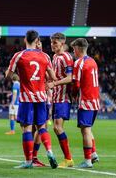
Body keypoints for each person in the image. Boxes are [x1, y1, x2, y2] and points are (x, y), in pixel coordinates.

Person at [6, 30, 58, 169]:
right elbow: (53, 77)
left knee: (27, 129)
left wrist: (19, 76)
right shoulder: (45, 56)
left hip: (26, 97)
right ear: (37, 40)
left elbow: (8, 75)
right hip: (41, 97)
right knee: (41, 127)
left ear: (25, 40)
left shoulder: (19, 56)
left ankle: (28, 161)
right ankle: (50, 151)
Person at [70, 38, 100, 168]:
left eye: (73, 49)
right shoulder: (93, 61)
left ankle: (87, 161)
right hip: (95, 100)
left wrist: (73, 95)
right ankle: (93, 154)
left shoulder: (79, 63)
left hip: (86, 101)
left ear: (78, 49)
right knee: (86, 129)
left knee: (86, 130)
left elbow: (76, 84)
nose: (73, 51)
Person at [46, 33, 74, 168]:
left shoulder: (66, 57)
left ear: (62, 44)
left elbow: (70, 78)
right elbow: (54, 76)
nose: (52, 45)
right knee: (56, 128)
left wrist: (54, 84)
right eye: (52, 43)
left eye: (55, 43)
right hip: (56, 97)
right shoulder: (55, 57)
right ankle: (67, 158)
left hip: (64, 97)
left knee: (58, 127)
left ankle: (68, 159)